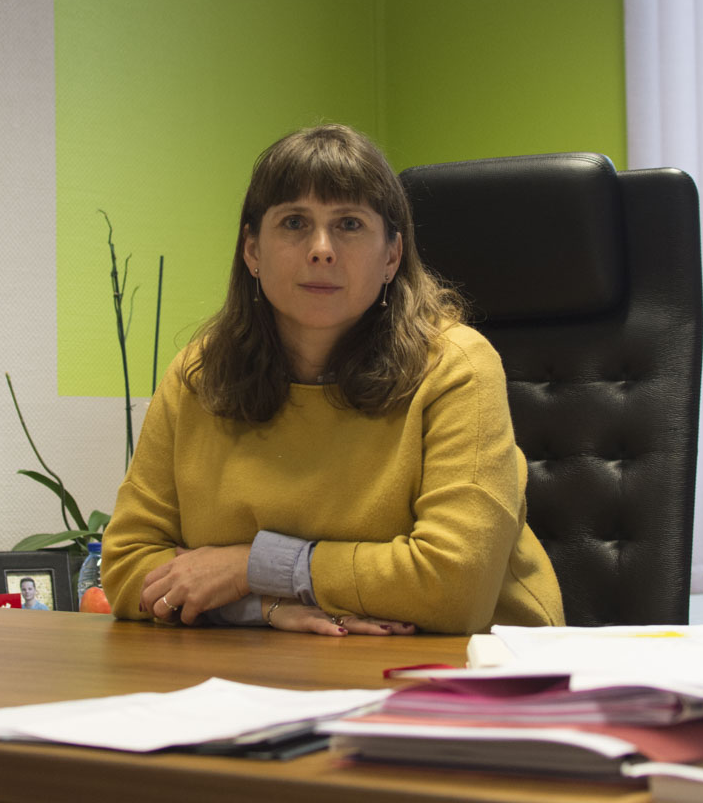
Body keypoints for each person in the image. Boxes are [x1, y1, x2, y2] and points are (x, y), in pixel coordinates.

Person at [101, 124, 564, 636]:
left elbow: (455, 585)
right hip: (269, 672)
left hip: (473, 677)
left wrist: (249, 566)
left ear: (391, 256)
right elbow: (125, 569)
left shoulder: (456, 368)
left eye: (348, 224)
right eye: (295, 222)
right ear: (252, 251)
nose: (321, 249)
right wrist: (263, 607)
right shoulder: (198, 375)